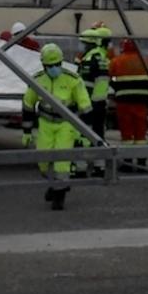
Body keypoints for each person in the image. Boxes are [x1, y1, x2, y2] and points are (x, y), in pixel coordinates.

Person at [20, 43, 92, 211]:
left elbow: (86, 107)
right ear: (44, 65)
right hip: (45, 123)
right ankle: (55, 185)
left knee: (62, 161)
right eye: (50, 65)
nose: (54, 68)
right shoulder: (37, 80)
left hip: (66, 124)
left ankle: (59, 195)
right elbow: (28, 105)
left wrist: (85, 134)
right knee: (43, 161)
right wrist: (27, 132)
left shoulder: (73, 80)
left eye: (57, 64)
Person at [109, 37, 148, 145]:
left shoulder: (116, 61)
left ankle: (127, 152)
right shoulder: (146, 61)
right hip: (142, 99)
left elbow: (110, 78)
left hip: (123, 98)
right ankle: (140, 151)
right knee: (141, 126)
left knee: (126, 126)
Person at [76, 24, 113, 142]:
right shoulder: (102, 57)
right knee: (98, 129)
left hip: (90, 100)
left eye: (84, 44)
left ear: (90, 44)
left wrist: (81, 100)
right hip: (101, 99)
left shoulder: (90, 58)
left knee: (85, 129)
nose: (82, 47)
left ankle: (86, 149)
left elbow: (86, 82)